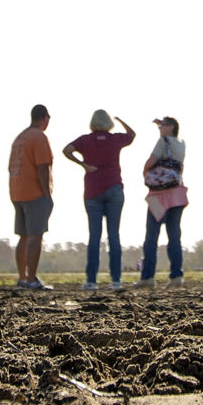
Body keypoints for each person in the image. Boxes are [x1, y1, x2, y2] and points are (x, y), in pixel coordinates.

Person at [62, 109, 136, 289]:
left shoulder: (85, 140)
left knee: (94, 236)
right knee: (114, 236)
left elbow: (66, 150)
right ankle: (116, 281)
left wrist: (83, 165)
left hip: (92, 191)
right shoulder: (115, 139)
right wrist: (121, 120)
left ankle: (91, 281)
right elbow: (132, 135)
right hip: (114, 189)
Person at [7, 105, 55, 289]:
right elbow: (43, 167)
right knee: (35, 236)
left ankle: (22, 277)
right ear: (44, 118)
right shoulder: (39, 137)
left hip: (17, 191)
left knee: (23, 236)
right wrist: (46, 194)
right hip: (34, 192)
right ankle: (32, 279)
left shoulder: (20, 138)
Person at [139, 115, 188, 284]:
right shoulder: (181, 144)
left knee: (151, 236)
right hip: (177, 194)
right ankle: (176, 275)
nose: (160, 128)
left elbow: (150, 161)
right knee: (174, 235)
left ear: (171, 127)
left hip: (159, 196)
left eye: (163, 125)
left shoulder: (163, 142)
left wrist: (145, 173)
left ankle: (148, 277)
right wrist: (161, 125)